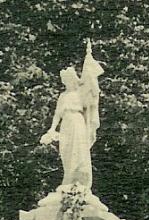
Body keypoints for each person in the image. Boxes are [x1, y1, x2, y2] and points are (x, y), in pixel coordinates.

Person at [40, 40, 104, 189]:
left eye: (67, 80)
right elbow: (57, 114)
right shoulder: (63, 96)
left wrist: (89, 70)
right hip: (66, 124)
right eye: (64, 81)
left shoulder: (79, 93)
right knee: (66, 151)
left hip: (77, 122)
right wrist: (52, 128)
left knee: (78, 150)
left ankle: (79, 180)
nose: (65, 82)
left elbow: (92, 93)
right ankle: (69, 178)